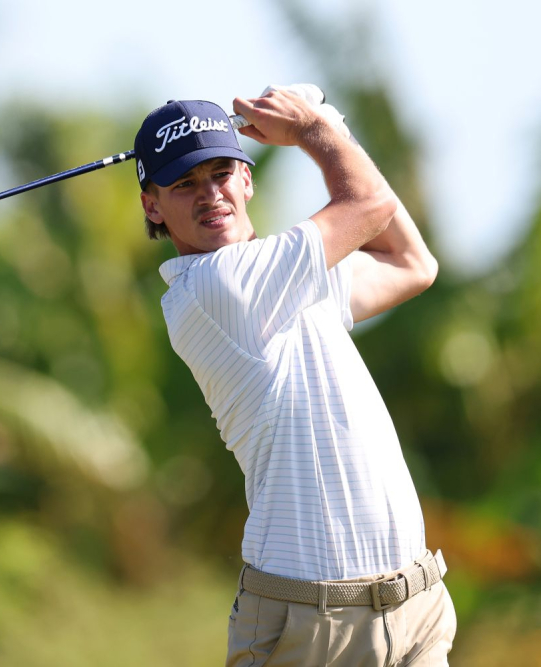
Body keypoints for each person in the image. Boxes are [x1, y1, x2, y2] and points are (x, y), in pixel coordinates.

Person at [134, 88, 456, 666]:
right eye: (184, 183)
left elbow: (414, 265)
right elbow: (369, 205)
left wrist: (331, 127)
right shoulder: (218, 286)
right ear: (152, 205)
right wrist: (315, 125)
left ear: (248, 180)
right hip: (313, 628)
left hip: (416, 606)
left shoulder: (285, 278)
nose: (211, 195)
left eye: (222, 172)